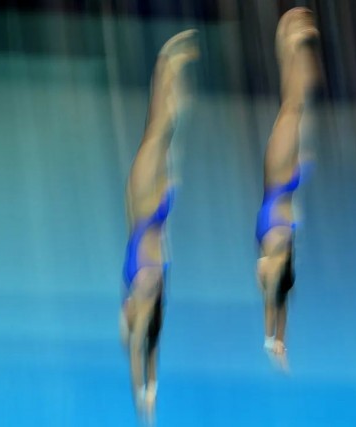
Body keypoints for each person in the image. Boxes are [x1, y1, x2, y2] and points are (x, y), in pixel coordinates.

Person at [119, 29, 199, 422]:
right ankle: (171, 68)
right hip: (158, 215)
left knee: (159, 126)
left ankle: (165, 62)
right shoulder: (156, 303)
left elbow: (138, 352)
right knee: (169, 127)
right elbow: (149, 351)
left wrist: (143, 397)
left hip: (142, 211)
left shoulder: (138, 308)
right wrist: (151, 391)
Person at [256, 7, 320, 370]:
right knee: (297, 106)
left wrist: (271, 341)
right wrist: (279, 343)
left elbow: (272, 304)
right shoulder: (283, 270)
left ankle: (287, 39)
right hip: (284, 187)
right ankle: (290, 40)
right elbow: (281, 309)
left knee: (292, 106)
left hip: (277, 185)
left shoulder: (272, 267)